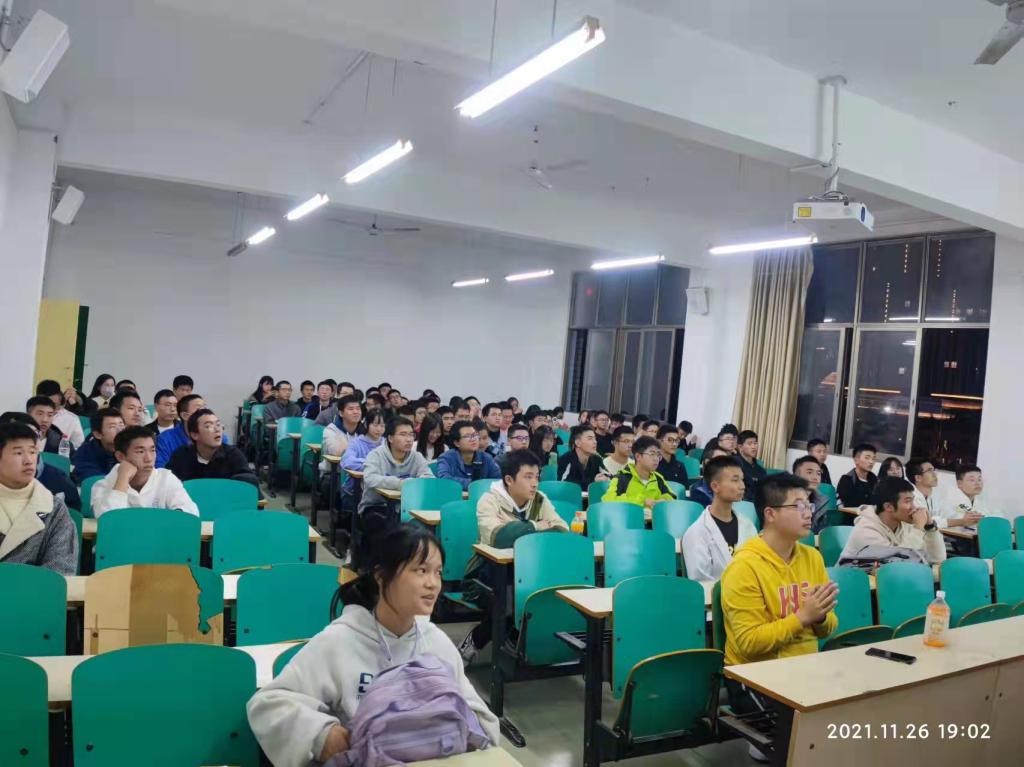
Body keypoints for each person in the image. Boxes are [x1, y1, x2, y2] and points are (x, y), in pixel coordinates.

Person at [247, 525, 499, 767]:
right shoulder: (341, 640)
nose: (433, 583)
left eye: (438, 572)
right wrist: (324, 734)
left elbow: (482, 721)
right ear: (381, 576)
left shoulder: (436, 643)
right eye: (421, 570)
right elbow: (268, 704)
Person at [720, 473, 837, 727]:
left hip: (805, 668)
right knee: (804, 733)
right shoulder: (744, 567)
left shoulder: (812, 557)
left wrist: (820, 617)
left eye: (809, 505)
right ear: (770, 514)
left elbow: (828, 627)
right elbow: (749, 643)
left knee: (855, 711)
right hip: (754, 677)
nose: (808, 513)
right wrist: (803, 617)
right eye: (799, 506)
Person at [458, 449, 569, 661]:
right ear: (509, 480)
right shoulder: (489, 500)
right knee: (510, 600)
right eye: (528, 477)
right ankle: (487, 642)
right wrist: (536, 525)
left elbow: (561, 531)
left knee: (539, 593)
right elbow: (499, 538)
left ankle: (515, 644)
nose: (535, 483)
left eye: (537, 477)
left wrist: (517, 530)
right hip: (483, 576)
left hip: (529, 573)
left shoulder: (540, 500)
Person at [0, 421, 78, 574]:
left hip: (34, 589)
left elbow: (62, 567)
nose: (28, 460)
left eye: (32, 451)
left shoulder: (54, 508)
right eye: (18, 453)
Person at [358, 417, 434, 566]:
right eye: (403, 434)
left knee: (422, 531)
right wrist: (400, 483)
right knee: (385, 529)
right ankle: (378, 568)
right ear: (391, 438)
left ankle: (409, 567)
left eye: (411, 435)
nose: (409, 439)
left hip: (407, 508)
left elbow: (429, 478)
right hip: (376, 506)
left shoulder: (416, 457)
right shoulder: (376, 455)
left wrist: (418, 481)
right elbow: (370, 479)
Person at [91, 426, 200, 517]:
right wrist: (122, 479)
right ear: (120, 456)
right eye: (140, 451)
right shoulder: (103, 485)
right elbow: (107, 519)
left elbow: (191, 512)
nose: (149, 458)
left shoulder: (166, 478)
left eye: (152, 450)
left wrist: (169, 518)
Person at [838, 477, 946, 565]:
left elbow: (937, 559)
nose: (914, 507)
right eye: (908, 501)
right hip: (853, 583)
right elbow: (899, 566)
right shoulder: (866, 532)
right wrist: (918, 529)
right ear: (888, 506)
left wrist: (930, 527)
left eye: (913, 501)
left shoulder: (904, 524)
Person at [682, 456, 757, 581]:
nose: (742, 486)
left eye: (742, 480)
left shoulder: (747, 525)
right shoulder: (697, 532)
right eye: (735, 480)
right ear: (715, 486)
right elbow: (700, 580)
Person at [0, 412, 80, 509]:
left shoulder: (58, 480)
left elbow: (73, 512)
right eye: (17, 436)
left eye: (34, 435)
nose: (29, 440)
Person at [166, 409, 259, 487]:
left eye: (218, 425)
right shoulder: (181, 455)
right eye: (208, 426)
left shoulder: (233, 455)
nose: (217, 429)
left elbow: (249, 483)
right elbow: (167, 482)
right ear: (194, 435)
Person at [602, 435, 677, 507]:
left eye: (658, 455)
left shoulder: (658, 478)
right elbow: (607, 500)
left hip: (653, 516)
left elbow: (672, 496)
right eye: (652, 454)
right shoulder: (623, 477)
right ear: (638, 456)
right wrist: (642, 501)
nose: (656, 458)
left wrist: (664, 500)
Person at [156, 394, 228, 468]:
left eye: (205, 408)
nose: (205, 412)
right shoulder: (165, 439)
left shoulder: (219, 438)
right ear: (185, 416)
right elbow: (161, 470)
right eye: (199, 409)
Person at [339, 410, 387, 511]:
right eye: (375, 425)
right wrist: (373, 464)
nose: (379, 429)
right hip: (355, 490)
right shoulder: (356, 443)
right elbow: (347, 461)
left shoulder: (387, 444)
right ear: (366, 424)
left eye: (382, 426)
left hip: (381, 490)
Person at [435, 421, 501, 490]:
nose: (473, 439)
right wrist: (474, 484)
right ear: (457, 443)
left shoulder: (486, 458)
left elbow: (498, 481)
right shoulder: (446, 458)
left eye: (475, 435)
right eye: (467, 436)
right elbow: (444, 480)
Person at [72, 408, 125, 483]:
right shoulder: (85, 453)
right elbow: (93, 480)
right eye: (112, 427)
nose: (120, 430)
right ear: (98, 434)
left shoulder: (131, 447)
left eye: (121, 425)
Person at [35, 380, 86, 448]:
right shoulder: (29, 416)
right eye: (45, 404)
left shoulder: (72, 419)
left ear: (60, 401)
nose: (50, 408)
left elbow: (79, 447)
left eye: (54, 404)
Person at [321, 395, 364, 469]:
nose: (355, 412)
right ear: (341, 413)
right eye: (351, 409)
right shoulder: (331, 430)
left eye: (358, 408)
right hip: (333, 473)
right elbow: (337, 452)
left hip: (359, 472)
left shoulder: (365, 430)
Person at [792, 455, 831, 533]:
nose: (815, 477)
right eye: (809, 472)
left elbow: (822, 530)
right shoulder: (784, 499)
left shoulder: (821, 501)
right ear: (796, 476)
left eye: (818, 473)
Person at [836, 443, 878, 508]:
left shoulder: (874, 479)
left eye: (873, 458)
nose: (871, 462)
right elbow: (848, 503)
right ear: (856, 460)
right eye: (867, 458)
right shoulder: (847, 479)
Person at [735, 429, 766, 502]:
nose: (753, 447)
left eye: (755, 443)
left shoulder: (761, 470)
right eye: (749, 443)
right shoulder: (735, 465)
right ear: (740, 447)